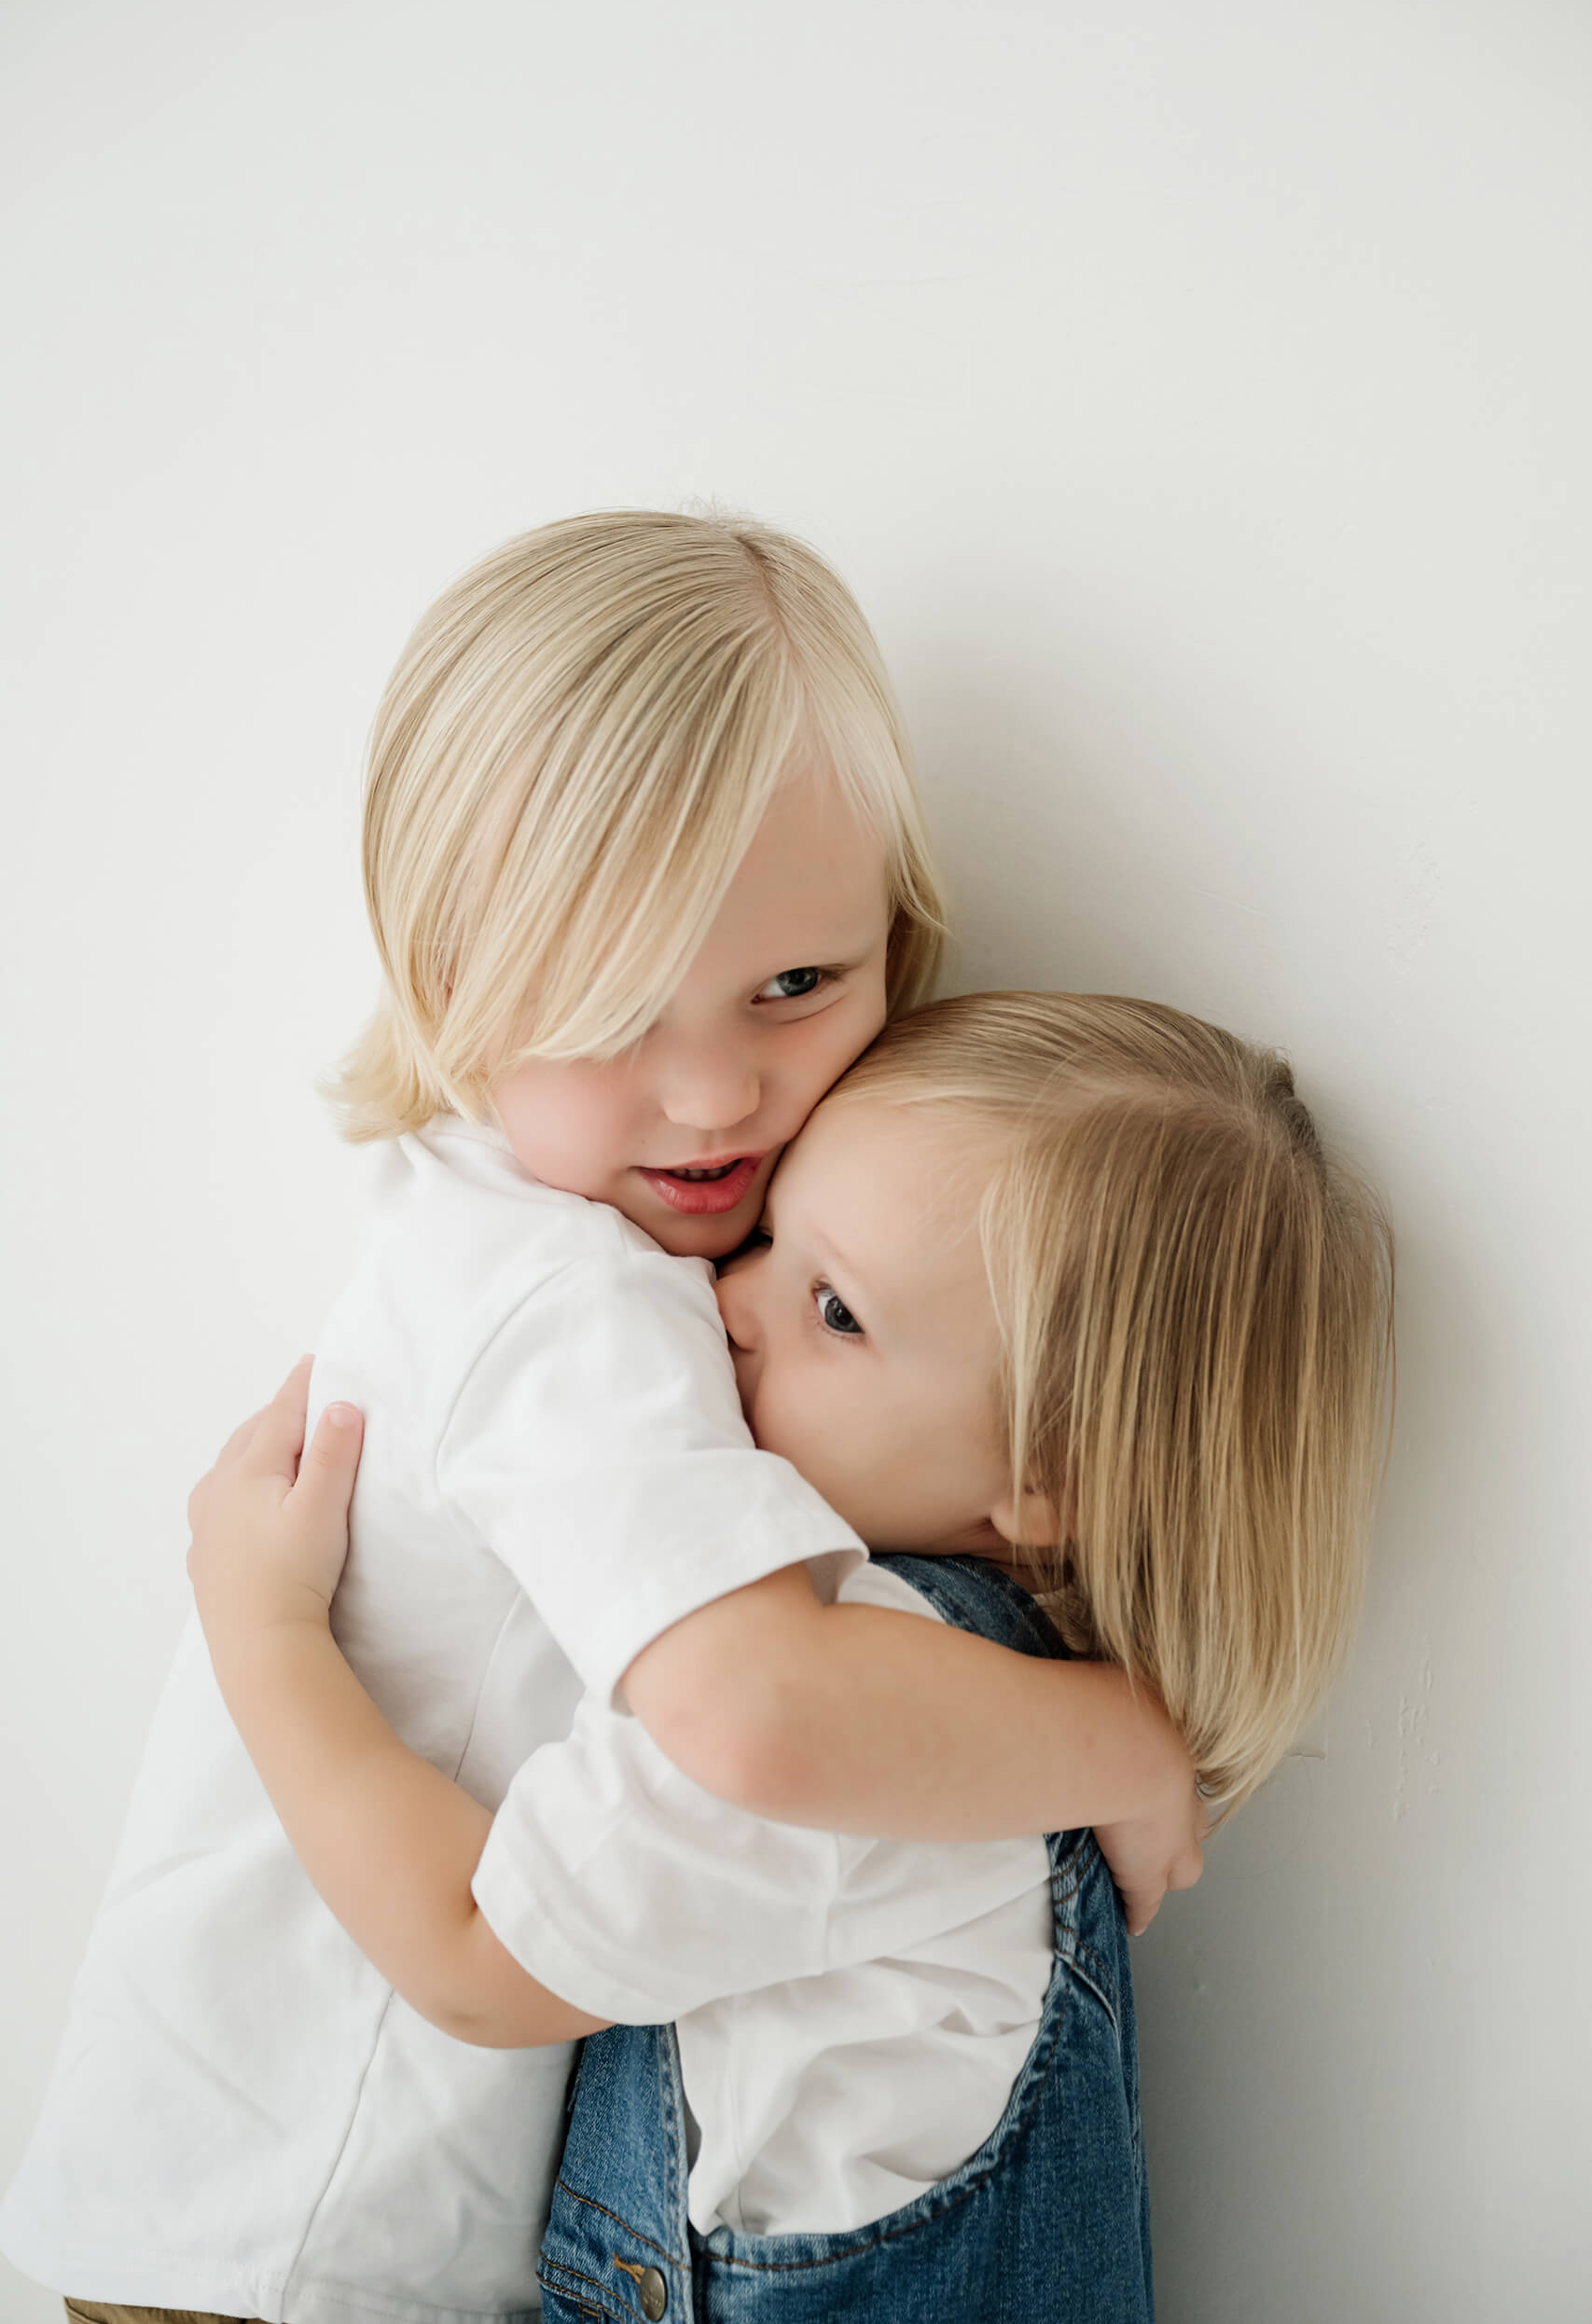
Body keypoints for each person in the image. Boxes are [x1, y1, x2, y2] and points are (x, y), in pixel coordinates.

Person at [0, 517, 1202, 2324]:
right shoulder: (577, 1298)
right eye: (602, 1009)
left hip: (234, 2185)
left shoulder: (491, 1202)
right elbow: (754, 1708)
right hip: (312, 2240)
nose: (716, 1091)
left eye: (797, 986)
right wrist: (1132, 1742)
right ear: (441, 975)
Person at [183, 989, 1394, 2322]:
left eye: (832, 1308)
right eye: (765, 1239)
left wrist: (266, 1628)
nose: (720, 1303)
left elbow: (471, 1954)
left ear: (1046, 1484)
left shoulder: (856, 1715)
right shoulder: (982, 1696)